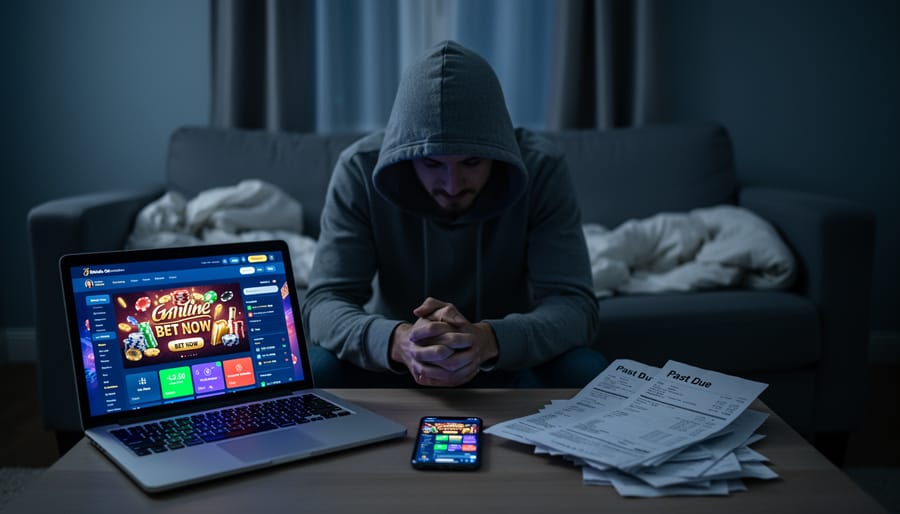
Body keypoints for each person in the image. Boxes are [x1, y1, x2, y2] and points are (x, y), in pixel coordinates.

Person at [300, 40, 607, 388]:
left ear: (499, 153)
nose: (451, 184)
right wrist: (397, 342)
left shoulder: (541, 168)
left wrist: (489, 340)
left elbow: (575, 306)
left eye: (472, 162)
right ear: (406, 155)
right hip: (395, 357)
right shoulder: (359, 169)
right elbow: (323, 304)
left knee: (586, 370)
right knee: (315, 369)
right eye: (431, 163)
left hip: (507, 357)